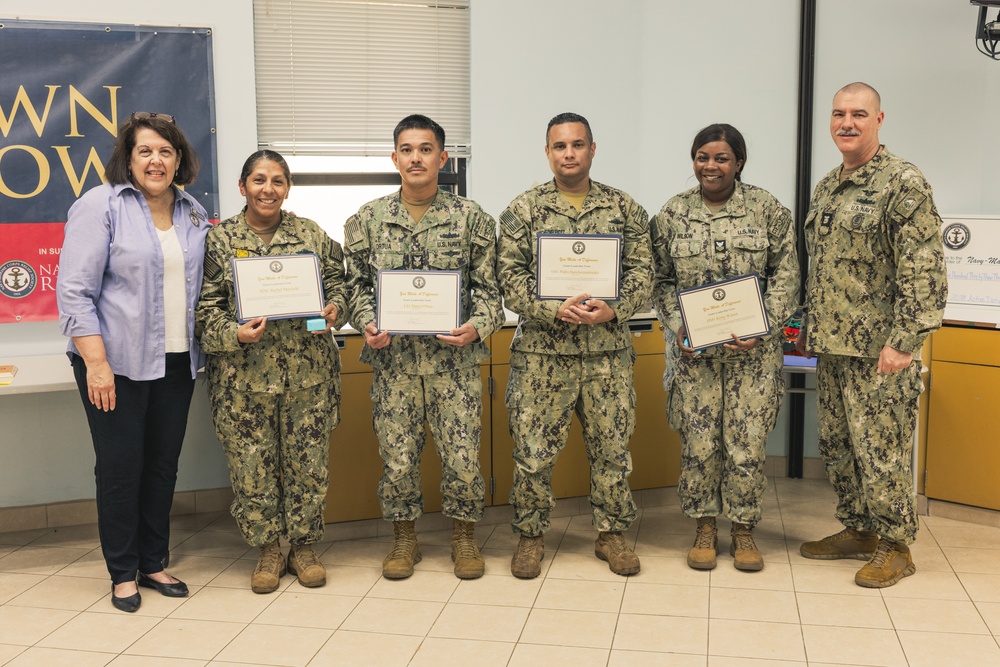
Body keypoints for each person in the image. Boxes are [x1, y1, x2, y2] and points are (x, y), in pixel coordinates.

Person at [797, 82, 947, 588]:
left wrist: (903, 342)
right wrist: (808, 329)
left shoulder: (902, 183)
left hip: (880, 351)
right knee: (840, 446)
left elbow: (924, 271)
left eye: (859, 114)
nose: (846, 123)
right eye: (839, 114)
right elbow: (823, 269)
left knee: (881, 450)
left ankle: (896, 544)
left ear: (880, 120)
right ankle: (860, 530)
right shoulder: (828, 185)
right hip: (834, 346)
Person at [57, 112, 208, 612]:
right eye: (145, 151)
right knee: (122, 467)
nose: (156, 160)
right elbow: (75, 293)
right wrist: (95, 364)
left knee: (162, 466)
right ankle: (122, 571)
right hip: (114, 362)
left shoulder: (192, 213)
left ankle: (153, 561)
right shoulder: (101, 205)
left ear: (180, 159)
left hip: (176, 361)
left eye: (166, 152)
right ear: (129, 157)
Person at [343, 114, 503, 580]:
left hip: (454, 363)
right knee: (397, 456)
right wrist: (367, 321)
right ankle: (404, 538)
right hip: (393, 363)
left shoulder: (472, 218)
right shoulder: (367, 220)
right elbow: (355, 287)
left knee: (462, 455)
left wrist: (478, 326)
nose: (416, 157)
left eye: (426, 149)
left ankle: (465, 537)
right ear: (395, 158)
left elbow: (489, 290)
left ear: (443, 158)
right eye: (407, 150)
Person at [497, 112, 652, 579]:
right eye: (560, 146)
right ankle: (529, 536)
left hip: (607, 353)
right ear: (547, 152)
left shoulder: (624, 209)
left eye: (578, 145)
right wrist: (552, 308)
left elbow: (644, 273)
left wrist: (615, 307)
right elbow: (509, 277)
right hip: (543, 355)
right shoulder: (523, 210)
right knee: (532, 453)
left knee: (612, 449)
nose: (569, 153)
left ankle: (611, 535)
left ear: (592, 149)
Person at [195, 150, 348, 593]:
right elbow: (205, 312)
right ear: (243, 187)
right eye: (259, 180)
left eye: (278, 181)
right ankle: (267, 548)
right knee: (251, 469)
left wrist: (333, 308)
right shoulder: (220, 242)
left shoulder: (310, 234)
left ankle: (302, 546)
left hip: (309, 379)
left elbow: (337, 286)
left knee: (309, 465)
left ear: (287, 188)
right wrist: (235, 333)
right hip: (242, 382)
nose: (269, 189)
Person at [650, 124, 799, 572]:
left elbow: (787, 278)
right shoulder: (673, 214)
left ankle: (744, 529)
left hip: (751, 358)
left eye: (720, 158)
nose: (710, 167)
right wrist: (679, 327)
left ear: (738, 163)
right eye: (702, 157)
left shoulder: (768, 211)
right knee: (698, 445)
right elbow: (660, 281)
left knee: (747, 446)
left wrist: (764, 326)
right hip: (693, 359)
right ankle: (704, 526)